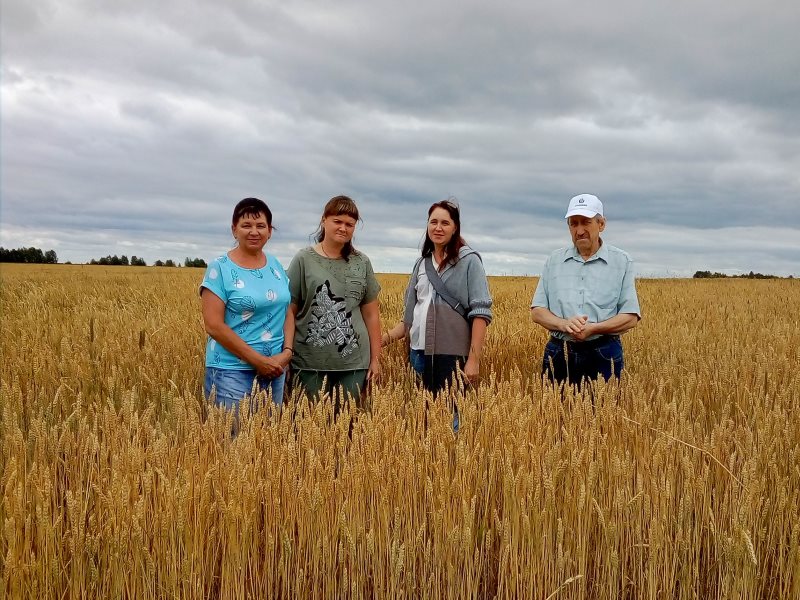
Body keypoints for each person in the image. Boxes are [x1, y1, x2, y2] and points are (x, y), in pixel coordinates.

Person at [383, 199, 493, 398]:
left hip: (453, 356)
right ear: (427, 226)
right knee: (422, 419)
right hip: (418, 353)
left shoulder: (469, 261)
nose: (438, 228)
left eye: (445, 223)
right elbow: (408, 320)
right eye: (433, 222)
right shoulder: (421, 264)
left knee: (452, 418)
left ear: (455, 228)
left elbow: (481, 314)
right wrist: (378, 342)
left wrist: (473, 360)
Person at [530, 193, 641, 386]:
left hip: (604, 352)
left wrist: (594, 329)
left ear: (601, 224)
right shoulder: (554, 261)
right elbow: (537, 312)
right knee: (554, 414)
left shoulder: (621, 261)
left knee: (605, 413)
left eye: (586, 222)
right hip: (558, 351)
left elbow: (630, 317)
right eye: (574, 224)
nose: (579, 231)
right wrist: (564, 324)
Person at [287, 195, 382, 413]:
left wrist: (375, 360)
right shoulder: (303, 259)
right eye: (337, 221)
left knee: (347, 427)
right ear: (324, 221)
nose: (343, 228)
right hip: (308, 361)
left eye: (349, 224)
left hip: (354, 362)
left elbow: (371, 315)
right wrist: (287, 353)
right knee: (308, 427)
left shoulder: (362, 262)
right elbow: (290, 310)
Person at [200, 197, 294, 414]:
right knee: (234, 441)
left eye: (261, 226)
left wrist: (287, 352)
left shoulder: (276, 265)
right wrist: (258, 361)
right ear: (234, 230)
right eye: (246, 225)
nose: (254, 231)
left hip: (275, 367)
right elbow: (213, 325)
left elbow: (286, 310)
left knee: (267, 440)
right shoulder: (219, 268)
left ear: (270, 231)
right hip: (231, 371)